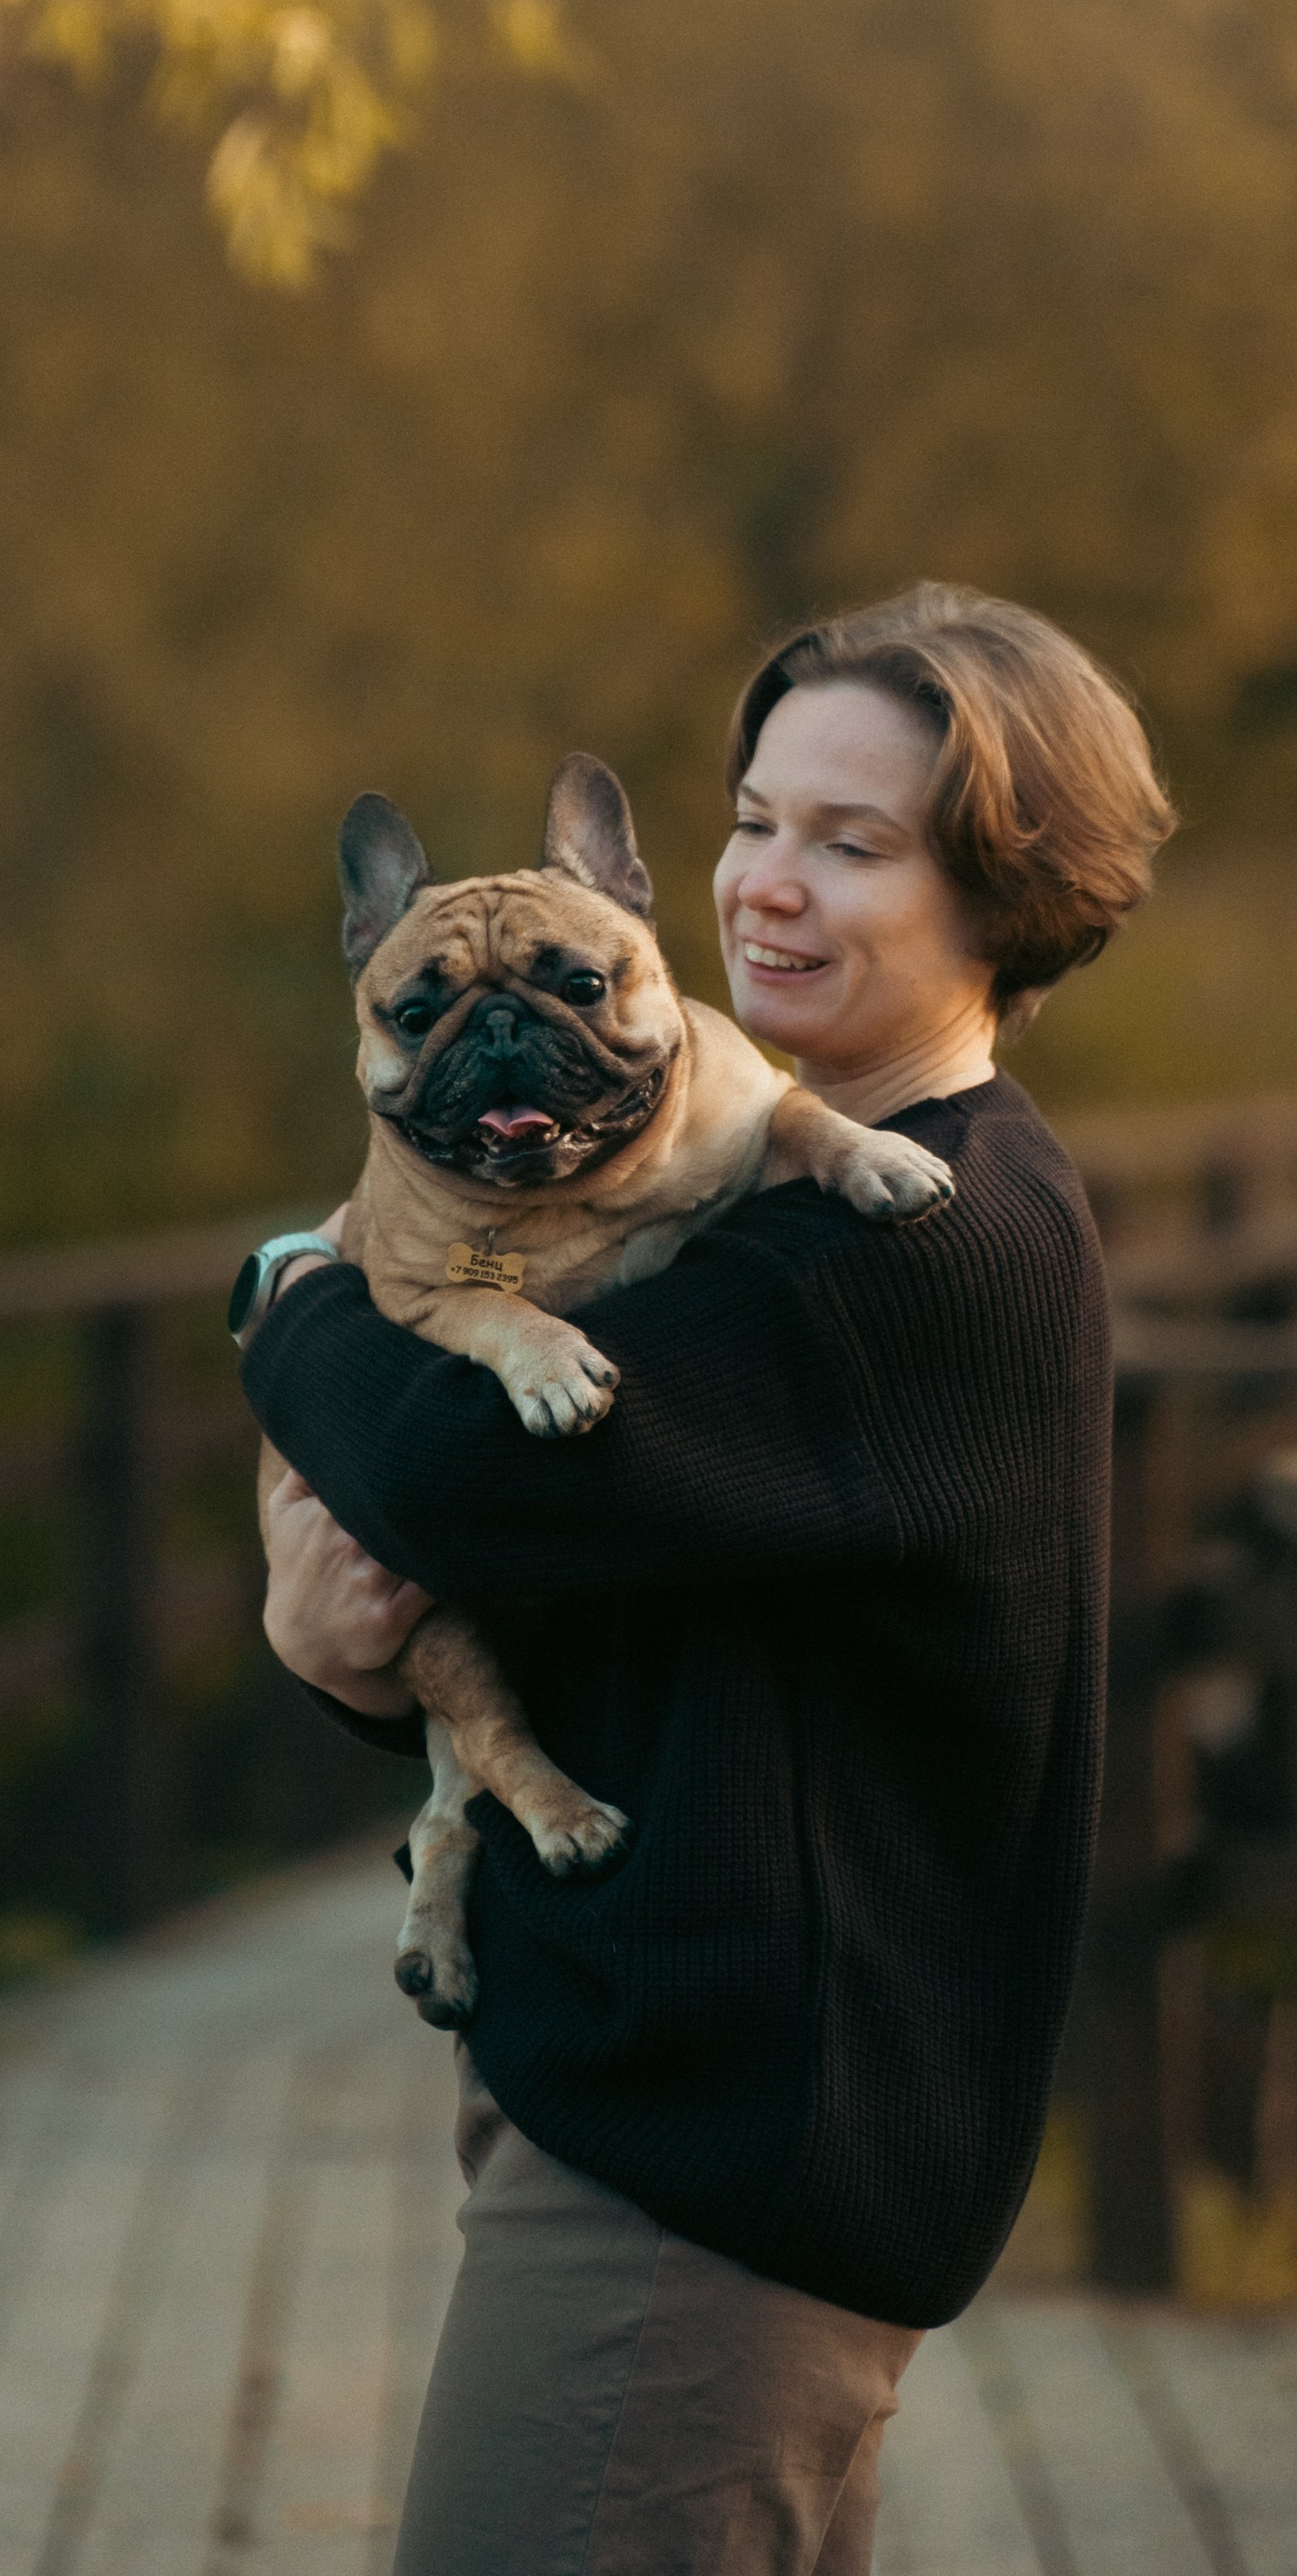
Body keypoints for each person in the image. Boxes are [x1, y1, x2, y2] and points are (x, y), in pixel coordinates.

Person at [239, 585, 1175, 2576]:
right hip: (658, 2104)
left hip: (720, 2173)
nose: (767, 884)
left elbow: (445, 1462)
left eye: (854, 843)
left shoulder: (919, 1247)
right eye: (754, 818)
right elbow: (571, 1569)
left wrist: (286, 1289)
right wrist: (342, 1654)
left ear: (1005, 897)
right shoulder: (750, 1211)